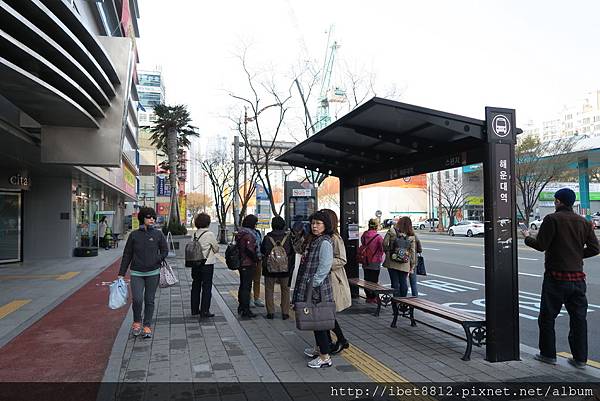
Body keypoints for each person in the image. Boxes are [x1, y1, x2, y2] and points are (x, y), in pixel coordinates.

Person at [521, 188, 599, 369]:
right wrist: (577, 255)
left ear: (558, 201)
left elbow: (541, 245)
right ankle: (580, 359)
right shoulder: (584, 222)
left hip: (555, 278)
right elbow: (595, 248)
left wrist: (527, 237)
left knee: (548, 317)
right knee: (579, 319)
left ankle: (548, 355)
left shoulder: (552, 219)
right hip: (578, 279)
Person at [293, 210, 335, 369]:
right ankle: (319, 349)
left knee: (319, 322)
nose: (314, 226)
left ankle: (325, 357)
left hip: (318, 288)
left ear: (326, 226)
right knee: (314, 319)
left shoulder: (324, 242)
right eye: (313, 223)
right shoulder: (315, 240)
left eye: (318, 223)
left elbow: (325, 266)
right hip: (313, 286)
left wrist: (313, 283)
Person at [118, 207, 168, 338]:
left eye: (153, 217)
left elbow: (165, 250)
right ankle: (136, 322)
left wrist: (157, 259)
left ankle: (147, 326)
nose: (151, 219)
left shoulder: (158, 234)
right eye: (148, 217)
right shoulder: (134, 235)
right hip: (137, 273)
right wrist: (121, 273)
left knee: (149, 300)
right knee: (138, 299)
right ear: (142, 218)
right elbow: (127, 254)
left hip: (153, 272)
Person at [321, 209, 351, 354]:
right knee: (324, 313)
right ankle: (331, 341)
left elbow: (342, 259)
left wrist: (325, 263)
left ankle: (340, 340)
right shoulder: (321, 237)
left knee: (327, 313)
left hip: (333, 280)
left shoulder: (334, 238)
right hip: (324, 280)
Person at [261, 216, 295, 320]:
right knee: (285, 290)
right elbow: (292, 252)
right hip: (285, 269)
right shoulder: (288, 238)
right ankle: (285, 312)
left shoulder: (267, 238)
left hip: (270, 269)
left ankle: (270, 312)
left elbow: (263, 251)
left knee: (269, 290)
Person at [190, 213, 219, 318]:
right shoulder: (209, 234)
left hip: (195, 263)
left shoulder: (195, 234)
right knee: (206, 287)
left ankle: (194, 309)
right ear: (208, 223)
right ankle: (205, 311)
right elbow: (216, 249)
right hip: (207, 264)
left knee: (195, 285)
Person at [382, 216, 417, 297]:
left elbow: (384, 243)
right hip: (404, 263)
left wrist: (388, 251)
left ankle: (395, 302)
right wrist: (412, 265)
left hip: (392, 261)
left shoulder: (392, 231)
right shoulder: (411, 235)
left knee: (394, 283)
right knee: (403, 282)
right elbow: (413, 251)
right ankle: (403, 302)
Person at [236, 215, 259, 318]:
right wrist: (255, 258)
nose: (256, 225)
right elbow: (249, 249)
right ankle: (246, 310)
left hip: (241, 262)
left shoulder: (241, 232)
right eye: (255, 223)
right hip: (247, 263)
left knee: (242, 286)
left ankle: (241, 307)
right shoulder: (248, 235)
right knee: (246, 287)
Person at [360, 218, 384, 303]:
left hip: (365, 259)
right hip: (375, 261)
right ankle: (373, 297)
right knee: (374, 280)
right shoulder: (378, 237)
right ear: (376, 226)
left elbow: (363, 244)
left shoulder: (364, 234)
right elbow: (382, 249)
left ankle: (368, 296)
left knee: (367, 279)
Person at [252, 227, 265, 308]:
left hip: (258, 259)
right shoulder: (245, 232)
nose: (256, 225)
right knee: (248, 280)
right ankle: (249, 299)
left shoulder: (257, 232)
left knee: (257, 280)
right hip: (248, 260)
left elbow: (260, 244)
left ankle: (256, 298)